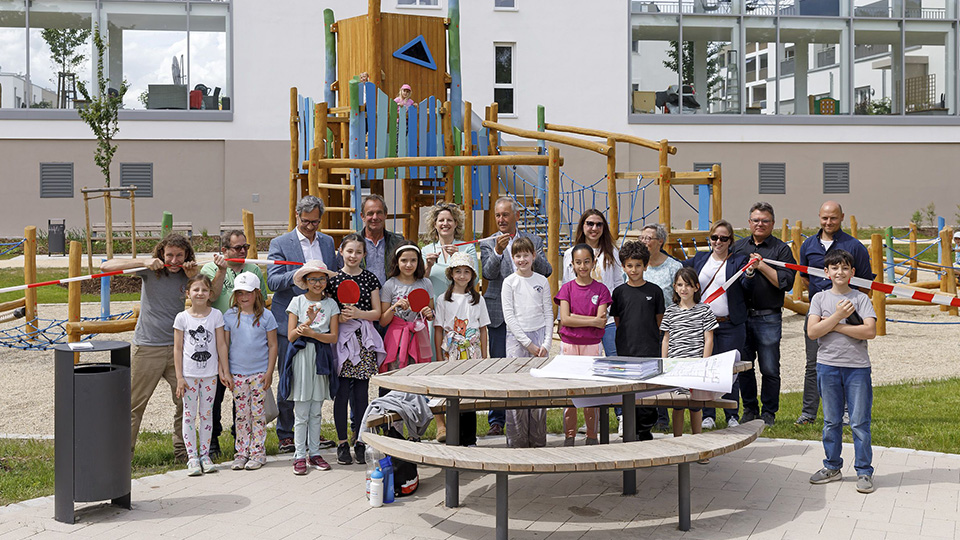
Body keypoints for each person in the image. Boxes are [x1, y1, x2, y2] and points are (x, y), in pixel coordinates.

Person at [101, 234, 199, 460]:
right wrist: (143, 262)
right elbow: (106, 266)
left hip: (178, 348)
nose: (174, 260)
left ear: (186, 255)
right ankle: (122, 457)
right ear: (161, 254)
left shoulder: (189, 273)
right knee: (134, 404)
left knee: (186, 401)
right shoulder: (150, 270)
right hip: (148, 347)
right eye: (170, 255)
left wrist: (195, 276)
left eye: (179, 255)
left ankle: (182, 451)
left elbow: (208, 296)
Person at [268, 195, 340, 453]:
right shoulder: (280, 242)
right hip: (289, 323)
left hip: (320, 326)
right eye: (306, 221)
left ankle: (312, 434)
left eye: (316, 222)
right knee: (290, 377)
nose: (311, 227)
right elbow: (273, 282)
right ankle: (287, 434)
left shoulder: (328, 242)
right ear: (297, 216)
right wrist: (301, 273)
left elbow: (333, 276)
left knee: (316, 377)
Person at [480, 196, 553, 436]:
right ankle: (498, 420)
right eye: (498, 216)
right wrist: (499, 252)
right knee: (502, 366)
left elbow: (547, 270)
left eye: (505, 215)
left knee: (529, 369)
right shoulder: (489, 241)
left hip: (530, 316)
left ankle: (531, 418)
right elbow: (488, 274)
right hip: (501, 315)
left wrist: (529, 253)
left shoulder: (534, 239)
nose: (501, 220)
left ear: (517, 216)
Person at [797, 201, 874, 425]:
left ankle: (849, 413)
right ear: (819, 217)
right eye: (824, 218)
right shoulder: (808, 244)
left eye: (833, 218)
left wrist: (849, 307)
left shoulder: (854, 246)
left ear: (841, 217)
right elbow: (805, 278)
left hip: (850, 313)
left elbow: (865, 281)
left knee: (849, 361)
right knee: (813, 364)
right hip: (818, 314)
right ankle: (808, 413)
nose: (828, 222)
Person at [806, 249, 877, 494]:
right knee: (831, 421)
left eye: (845, 268)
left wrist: (834, 326)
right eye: (835, 268)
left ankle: (864, 471)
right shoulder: (819, 299)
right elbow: (813, 332)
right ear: (826, 272)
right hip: (828, 366)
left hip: (857, 368)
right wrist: (838, 316)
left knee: (859, 422)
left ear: (852, 272)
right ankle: (832, 466)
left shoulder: (861, 299)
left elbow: (869, 332)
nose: (840, 272)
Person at [201, 230, 268, 459]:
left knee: (243, 395)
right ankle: (212, 441)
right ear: (224, 250)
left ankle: (242, 439)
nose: (242, 251)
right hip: (216, 336)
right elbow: (211, 296)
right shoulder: (211, 268)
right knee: (216, 392)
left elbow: (262, 301)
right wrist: (221, 270)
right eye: (237, 248)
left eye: (245, 247)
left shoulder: (254, 269)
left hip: (244, 338)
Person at [731, 202, 796, 426]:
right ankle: (749, 409)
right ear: (749, 223)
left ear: (772, 224)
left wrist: (761, 265)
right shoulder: (738, 247)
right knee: (744, 367)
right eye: (756, 220)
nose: (760, 224)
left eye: (765, 221)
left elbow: (785, 283)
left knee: (769, 368)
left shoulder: (781, 250)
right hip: (741, 317)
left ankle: (769, 412)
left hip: (768, 317)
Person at [681, 219, 748, 429]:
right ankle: (707, 414)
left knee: (730, 370)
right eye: (714, 237)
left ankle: (731, 414)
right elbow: (680, 272)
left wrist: (753, 271)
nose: (718, 241)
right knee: (705, 368)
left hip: (730, 324)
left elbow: (747, 282)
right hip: (703, 325)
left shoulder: (738, 260)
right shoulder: (700, 259)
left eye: (723, 238)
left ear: (730, 240)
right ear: (710, 239)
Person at [328, 234, 385, 465]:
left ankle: (360, 440)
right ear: (341, 251)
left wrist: (359, 314)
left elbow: (377, 313)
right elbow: (328, 311)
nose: (353, 256)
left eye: (358, 252)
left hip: (363, 342)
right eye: (349, 251)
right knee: (341, 394)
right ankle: (342, 443)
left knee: (361, 395)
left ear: (364, 254)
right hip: (341, 340)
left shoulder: (370, 279)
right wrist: (339, 318)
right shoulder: (332, 280)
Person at [283, 260, 340, 475]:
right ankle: (299, 455)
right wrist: (307, 323)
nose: (318, 283)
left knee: (316, 409)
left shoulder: (331, 304)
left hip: (321, 357)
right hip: (301, 356)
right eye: (313, 279)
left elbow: (333, 337)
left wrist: (315, 333)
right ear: (305, 282)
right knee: (302, 410)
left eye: (321, 278)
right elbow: (290, 336)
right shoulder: (296, 301)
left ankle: (314, 452)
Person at [556, 243, 612, 447]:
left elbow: (602, 320)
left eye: (586, 261)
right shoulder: (566, 289)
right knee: (569, 392)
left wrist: (575, 318)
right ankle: (569, 435)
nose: (582, 266)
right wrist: (590, 320)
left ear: (593, 263)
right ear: (572, 264)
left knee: (590, 392)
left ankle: (592, 435)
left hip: (592, 345)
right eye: (578, 262)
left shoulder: (601, 289)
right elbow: (565, 319)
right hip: (569, 345)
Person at [173, 274, 228, 476]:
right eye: (196, 289)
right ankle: (192, 457)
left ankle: (205, 454)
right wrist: (179, 377)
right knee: (189, 415)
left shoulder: (216, 315)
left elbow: (221, 344)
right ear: (188, 293)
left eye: (204, 290)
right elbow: (177, 349)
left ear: (210, 294)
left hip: (210, 375)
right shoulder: (182, 318)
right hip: (188, 375)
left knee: (207, 415)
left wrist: (224, 369)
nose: (200, 293)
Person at [433, 252, 490, 447]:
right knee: (453, 394)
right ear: (451, 274)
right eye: (458, 271)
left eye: (466, 272)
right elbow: (439, 329)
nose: (462, 276)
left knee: (469, 394)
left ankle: (470, 438)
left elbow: (483, 329)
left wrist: (484, 355)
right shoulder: (443, 299)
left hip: (472, 352)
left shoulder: (477, 299)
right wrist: (439, 356)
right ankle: (454, 437)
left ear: (472, 275)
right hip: (451, 351)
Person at [223, 271, 278, 472]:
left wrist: (270, 371)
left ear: (256, 293)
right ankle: (241, 452)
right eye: (239, 293)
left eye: (247, 293)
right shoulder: (229, 316)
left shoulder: (266, 316)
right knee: (241, 415)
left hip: (258, 374)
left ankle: (257, 452)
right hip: (237, 374)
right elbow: (225, 345)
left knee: (257, 414)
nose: (243, 297)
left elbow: (273, 345)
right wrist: (225, 371)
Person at [610, 241, 665, 442]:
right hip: (626, 349)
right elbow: (618, 322)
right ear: (623, 267)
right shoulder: (619, 293)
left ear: (646, 265)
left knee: (647, 393)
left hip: (649, 349)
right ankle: (630, 428)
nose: (634, 270)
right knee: (629, 391)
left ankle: (645, 429)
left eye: (638, 265)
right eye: (629, 266)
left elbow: (659, 321)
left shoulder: (655, 291)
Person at [501, 236, 551, 448]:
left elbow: (549, 313)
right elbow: (509, 316)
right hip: (516, 339)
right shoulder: (509, 282)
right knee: (517, 389)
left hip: (540, 336)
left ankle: (538, 439)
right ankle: (517, 439)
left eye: (526, 255)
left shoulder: (542, 281)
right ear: (513, 258)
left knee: (539, 389)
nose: (522, 259)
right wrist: (526, 343)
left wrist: (546, 343)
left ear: (534, 256)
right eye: (518, 256)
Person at [660, 267, 717, 448]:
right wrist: (665, 362)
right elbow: (666, 339)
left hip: (695, 365)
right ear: (675, 288)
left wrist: (704, 363)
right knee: (677, 405)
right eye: (680, 285)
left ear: (696, 287)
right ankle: (678, 444)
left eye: (688, 285)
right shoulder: (670, 311)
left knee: (695, 405)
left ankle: (698, 444)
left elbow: (709, 338)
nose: (684, 289)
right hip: (676, 367)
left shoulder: (704, 310)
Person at [636, 223, 682, 431]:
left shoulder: (673, 267)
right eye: (642, 238)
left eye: (649, 238)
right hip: (642, 327)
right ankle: (645, 417)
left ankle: (663, 418)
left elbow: (680, 297)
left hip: (666, 328)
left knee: (663, 371)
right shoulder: (636, 265)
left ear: (660, 242)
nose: (644, 242)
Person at [562, 209, 623, 358]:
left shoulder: (612, 252)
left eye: (599, 224)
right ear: (582, 226)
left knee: (613, 358)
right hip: (580, 317)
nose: (594, 228)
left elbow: (618, 283)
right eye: (590, 224)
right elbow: (566, 284)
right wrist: (561, 320)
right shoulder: (570, 253)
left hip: (606, 317)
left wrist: (618, 314)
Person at [422, 203, 479, 360]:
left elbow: (475, 279)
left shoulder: (467, 248)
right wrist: (428, 266)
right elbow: (420, 283)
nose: (445, 224)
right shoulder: (426, 250)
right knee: (435, 355)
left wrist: (458, 257)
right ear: (435, 224)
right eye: (441, 220)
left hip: (459, 309)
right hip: (434, 311)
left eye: (449, 220)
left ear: (455, 224)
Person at [380, 243, 435, 373]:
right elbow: (383, 321)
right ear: (397, 262)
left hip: (419, 336)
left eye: (413, 260)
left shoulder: (426, 283)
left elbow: (431, 314)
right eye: (404, 260)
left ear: (419, 262)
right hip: (397, 338)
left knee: (419, 373)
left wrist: (429, 313)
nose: (409, 265)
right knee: (396, 372)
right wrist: (394, 307)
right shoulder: (390, 285)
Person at [357, 194, 404, 286]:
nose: (375, 217)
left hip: (392, 298)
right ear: (362, 216)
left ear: (385, 215)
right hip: (361, 298)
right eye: (370, 213)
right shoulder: (351, 242)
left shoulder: (398, 242)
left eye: (379, 213)